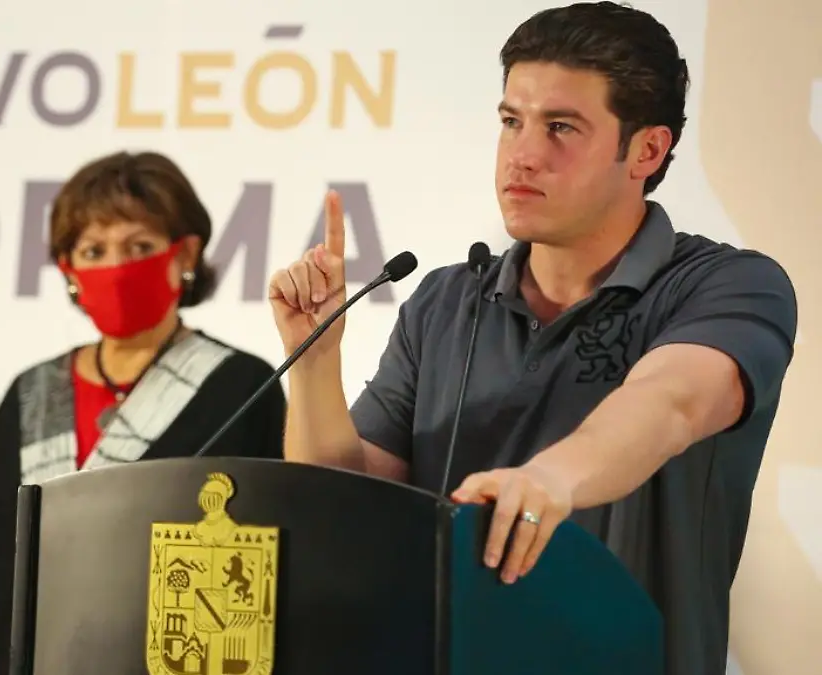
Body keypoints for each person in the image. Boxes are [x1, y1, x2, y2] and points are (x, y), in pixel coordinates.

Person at [267, 3, 796, 674]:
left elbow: (671, 402)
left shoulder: (728, 284)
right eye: (512, 121)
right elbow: (344, 507)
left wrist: (548, 479)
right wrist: (315, 361)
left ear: (647, 150)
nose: (523, 154)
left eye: (561, 128)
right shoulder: (445, 300)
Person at [0, 150, 287, 675]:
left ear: (185, 254)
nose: (116, 267)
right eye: (93, 250)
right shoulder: (30, 395)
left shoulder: (242, 388)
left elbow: (262, 576)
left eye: (139, 246)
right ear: (69, 269)